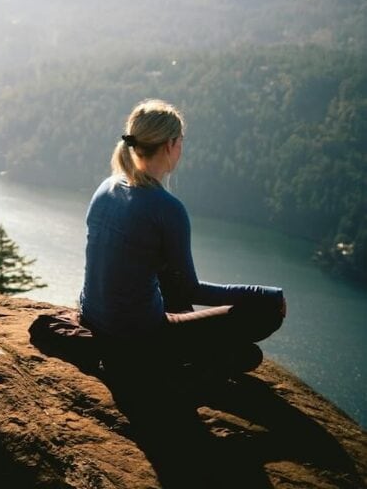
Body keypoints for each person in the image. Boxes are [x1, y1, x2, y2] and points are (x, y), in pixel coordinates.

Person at [79, 99, 286, 383]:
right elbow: (190, 290)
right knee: (265, 313)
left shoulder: (106, 187)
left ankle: (203, 355)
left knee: (242, 351)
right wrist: (264, 294)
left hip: (93, 318)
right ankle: (184, 361)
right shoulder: (165, 207)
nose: (181, 149)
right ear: (169, 145)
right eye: (180, 142)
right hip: (138, 336)